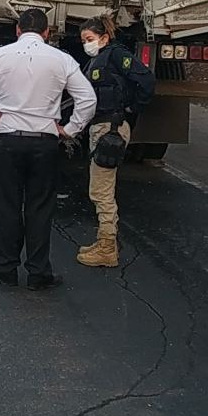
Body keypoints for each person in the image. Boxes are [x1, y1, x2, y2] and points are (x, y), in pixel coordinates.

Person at [0, 9, 97, 291]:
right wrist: (70, 129)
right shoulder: (62, 60)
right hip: (44, 143)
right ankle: (38, 273)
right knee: (40, 208)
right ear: (47, 33)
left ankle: (5, 268)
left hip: (8, 140)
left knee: (7, 206)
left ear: (18, 31)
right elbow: (88, 99)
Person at [76, 16, 155, 268]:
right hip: (102, 125)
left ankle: (107, 246)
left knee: (101, 189)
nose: (86, 44)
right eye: (83, 40)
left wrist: (133, 109)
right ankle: (104, 240)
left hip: (110, 128)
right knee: (100, 186)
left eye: (89, 39)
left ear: (104, 37)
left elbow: (145, 79)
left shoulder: (116, 55)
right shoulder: (98, 59)